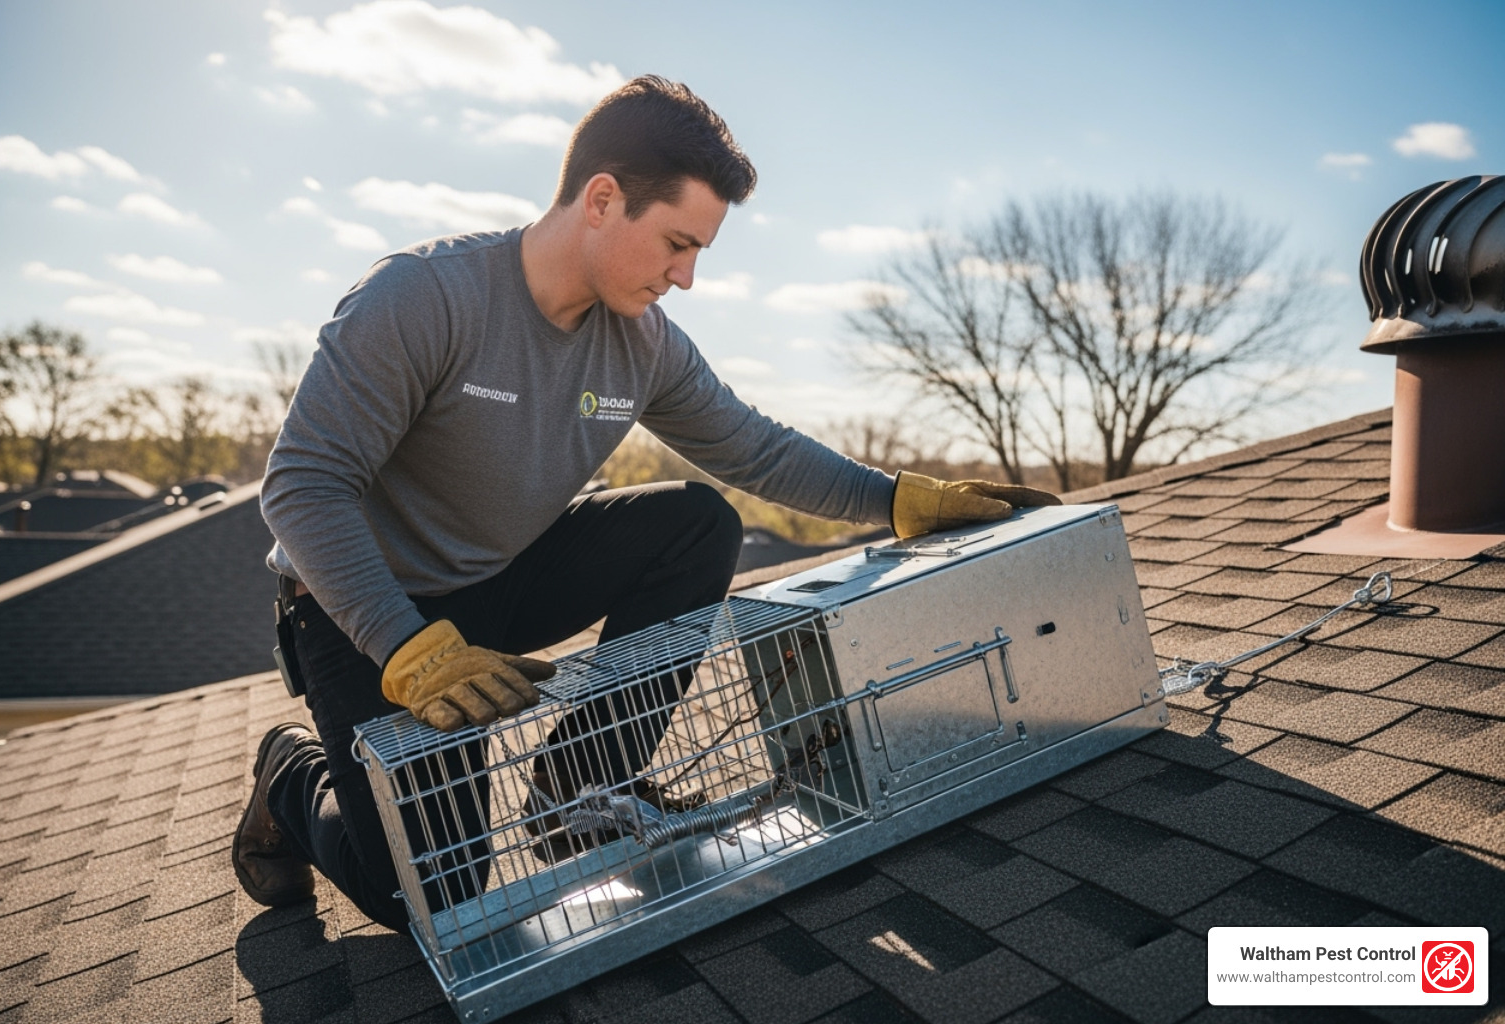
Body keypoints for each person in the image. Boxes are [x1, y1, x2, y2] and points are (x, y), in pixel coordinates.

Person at [233, 74, 1059, 932]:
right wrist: (410, 648)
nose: (688, 276)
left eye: (698, 250)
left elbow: (753, 447)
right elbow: (302, 484)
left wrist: (897, 501)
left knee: (696, 522)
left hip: (498, 581)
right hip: (362, 610)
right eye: (676, 243)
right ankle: (291, 778)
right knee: (432, 898)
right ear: (602, 200)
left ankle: (576, 787)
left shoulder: (644, 342)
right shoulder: (423, 297)